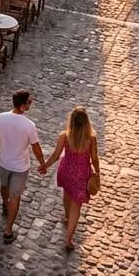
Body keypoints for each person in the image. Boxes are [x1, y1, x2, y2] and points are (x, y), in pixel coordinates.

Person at [0, 90, 45, 244]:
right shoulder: (29, 126)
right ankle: (8, 230)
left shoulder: (1, 118)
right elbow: (36, 147)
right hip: (20, 167)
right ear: (23, 106)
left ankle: (5, 204)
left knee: (4, 186)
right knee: (15, 197)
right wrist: (42, 163)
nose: (31, 103)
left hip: (4, 161)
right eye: (29, 102)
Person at [40, 107, 101, 251]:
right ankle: (68, 240)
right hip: (81, 175)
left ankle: (67, 217)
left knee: (67, 195)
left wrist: (45, 166)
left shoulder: (65, 136)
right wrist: (97, 172)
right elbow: (94, 158)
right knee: (76, 206)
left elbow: (56, 155)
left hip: (66, 171)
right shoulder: (90, 139)